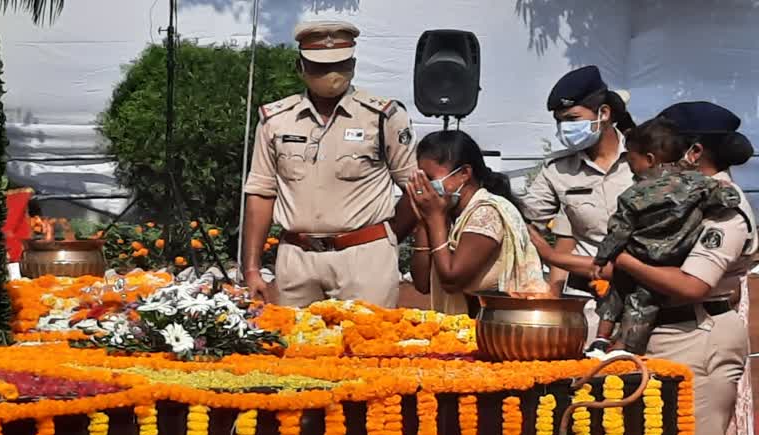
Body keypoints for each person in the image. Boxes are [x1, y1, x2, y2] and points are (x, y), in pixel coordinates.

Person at [595, 101, 757, 435]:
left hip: (697, 335)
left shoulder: (725, 205)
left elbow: (690, 284)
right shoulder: (669, 199)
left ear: (694, 152)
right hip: (662, 333)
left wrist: (625, 260)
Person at [242, 21, 418, 307]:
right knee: (294, 347)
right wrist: (251, 267)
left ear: (353, 64)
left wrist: (384, 237)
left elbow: (416, 190)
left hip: (365, 258)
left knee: (369, 347)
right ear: (301, 67)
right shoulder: (275, 120)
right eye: (320, 67)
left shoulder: (383, 116)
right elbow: (261, 193)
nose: (331, 75)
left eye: (340, 64)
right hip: (296, 258)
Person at [590, 117, 741, 354]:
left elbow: (618, 232)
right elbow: (730, 198)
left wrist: (602, 259)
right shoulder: (699, 184)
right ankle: (624, 348)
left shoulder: (633, 195)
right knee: (641, 304)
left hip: (641, 257)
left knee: (622, 294)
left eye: (631, 159)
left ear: (649, 160)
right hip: (675, 257)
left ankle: (611, 345)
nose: (630, 166)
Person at [520, 65, 636, 341]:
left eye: (573, 118)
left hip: (644, 299)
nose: (566, 128)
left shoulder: (644, 158)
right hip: (588, 303)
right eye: (560, 121)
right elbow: (523, 220)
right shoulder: (557, 171)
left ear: (604, 114)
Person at [406, 130, 549, 315]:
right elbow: (423, 283)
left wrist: (434, 220)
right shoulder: (447, 215)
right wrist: (424, 223)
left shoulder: (486, 212)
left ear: (464, 173)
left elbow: (451, 280)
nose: (426, 188)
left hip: (496, 330)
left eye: (431, 179)